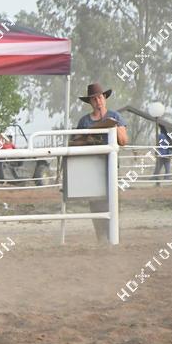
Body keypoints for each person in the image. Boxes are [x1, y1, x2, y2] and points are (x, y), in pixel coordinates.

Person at [76, 82, 128, 242]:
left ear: (104, 98)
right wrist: (87, 138)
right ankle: (101, 236)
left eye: (99, 97)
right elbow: (76, 142)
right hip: (92, 168)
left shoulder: (116, 116)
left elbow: (123, 141)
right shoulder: (84, 122)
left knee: (112, 200)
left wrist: (114, 126)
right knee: (95, 202)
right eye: (94, 99)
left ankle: (113, 235)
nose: (98, 101)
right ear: (90, 102)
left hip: (110, 167)